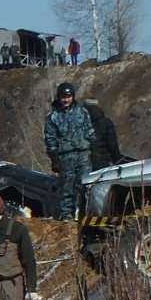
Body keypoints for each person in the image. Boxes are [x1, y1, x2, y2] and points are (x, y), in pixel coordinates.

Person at [44, 82, 96, 220]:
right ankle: (67, 216)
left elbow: (90, 131)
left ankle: (86, 214)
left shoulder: (82, 112)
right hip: (65, 157)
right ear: (59, 97)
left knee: (86, 186)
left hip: (84, 154)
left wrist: (95, 149)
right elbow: (50, 140)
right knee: (67, 188)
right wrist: (54, 159)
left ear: (72, 97)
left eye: (68, 96)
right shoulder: (53, 117)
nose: (65, 99)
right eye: (63, 97)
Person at [82, 99, 123, 171]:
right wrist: (117, 159)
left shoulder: (79, 123)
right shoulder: (106, 122)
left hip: (85, 163)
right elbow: (112, 145)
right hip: (103, 162)